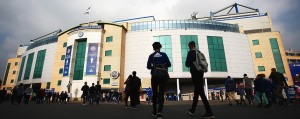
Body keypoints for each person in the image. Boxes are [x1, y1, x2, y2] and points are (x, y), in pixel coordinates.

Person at [185, 41, 214, 118]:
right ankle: (192, 110)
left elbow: (187, 64)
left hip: (195, 73)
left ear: (191, 45)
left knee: (201, 92)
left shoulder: (191, 52)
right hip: (200, 73)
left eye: (189, 46)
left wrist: (190, 63)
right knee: (197, 91)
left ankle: (209, 112)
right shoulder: (199, 52)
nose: (188, 47)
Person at [147, 42, 171, 119]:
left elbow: (148, 66)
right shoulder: (164, 54)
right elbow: (169, 64)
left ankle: (154, 111)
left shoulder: (151, 56)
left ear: (153, 48)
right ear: (160, 47)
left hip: (154, 76)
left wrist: (154, 66)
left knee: (154, 93)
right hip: (163, 76)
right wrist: (163, 65)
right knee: (161, 94)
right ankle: (159, 113)